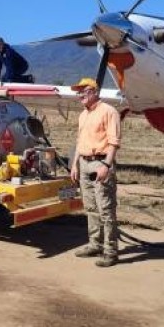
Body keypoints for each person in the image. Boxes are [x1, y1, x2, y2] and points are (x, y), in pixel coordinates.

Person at [69, 77, 122, 267]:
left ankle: (110, 251)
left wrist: (106, 165)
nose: (80, 95)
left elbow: (114, 142)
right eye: (79, 92)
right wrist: (75, 164)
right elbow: (79, 141)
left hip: (100, 163)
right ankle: (95, 244)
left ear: (95, 92)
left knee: (105, 209)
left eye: (84, 91)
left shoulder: (109, 111)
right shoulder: (83, 115)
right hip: (84, 164)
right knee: (90, 207)